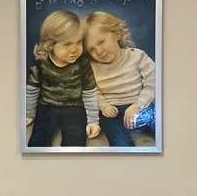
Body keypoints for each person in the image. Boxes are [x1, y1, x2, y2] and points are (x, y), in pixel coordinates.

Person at [26, 10, 101, 147]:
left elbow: (90, 92)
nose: (74, 49)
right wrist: (29, 114)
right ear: (50, 44)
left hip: (75, 108)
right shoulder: (41, 61)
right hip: (47, 107)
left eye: (78, 42)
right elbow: (32, 89)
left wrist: (93, 121)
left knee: (76, 140)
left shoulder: (83, 63)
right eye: (67, 44)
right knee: (38, 140)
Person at [84, 11, 156, 147]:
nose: (98, 51)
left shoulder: (137, 56)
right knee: (120, 142)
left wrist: (138, 105)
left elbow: (153, 83)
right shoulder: (91, 67)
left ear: (117, 34)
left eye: (101, 42)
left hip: (140, 106)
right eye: (92, 49)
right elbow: (91, 90)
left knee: (160, 124)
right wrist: (104, 105)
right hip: (112, 113)